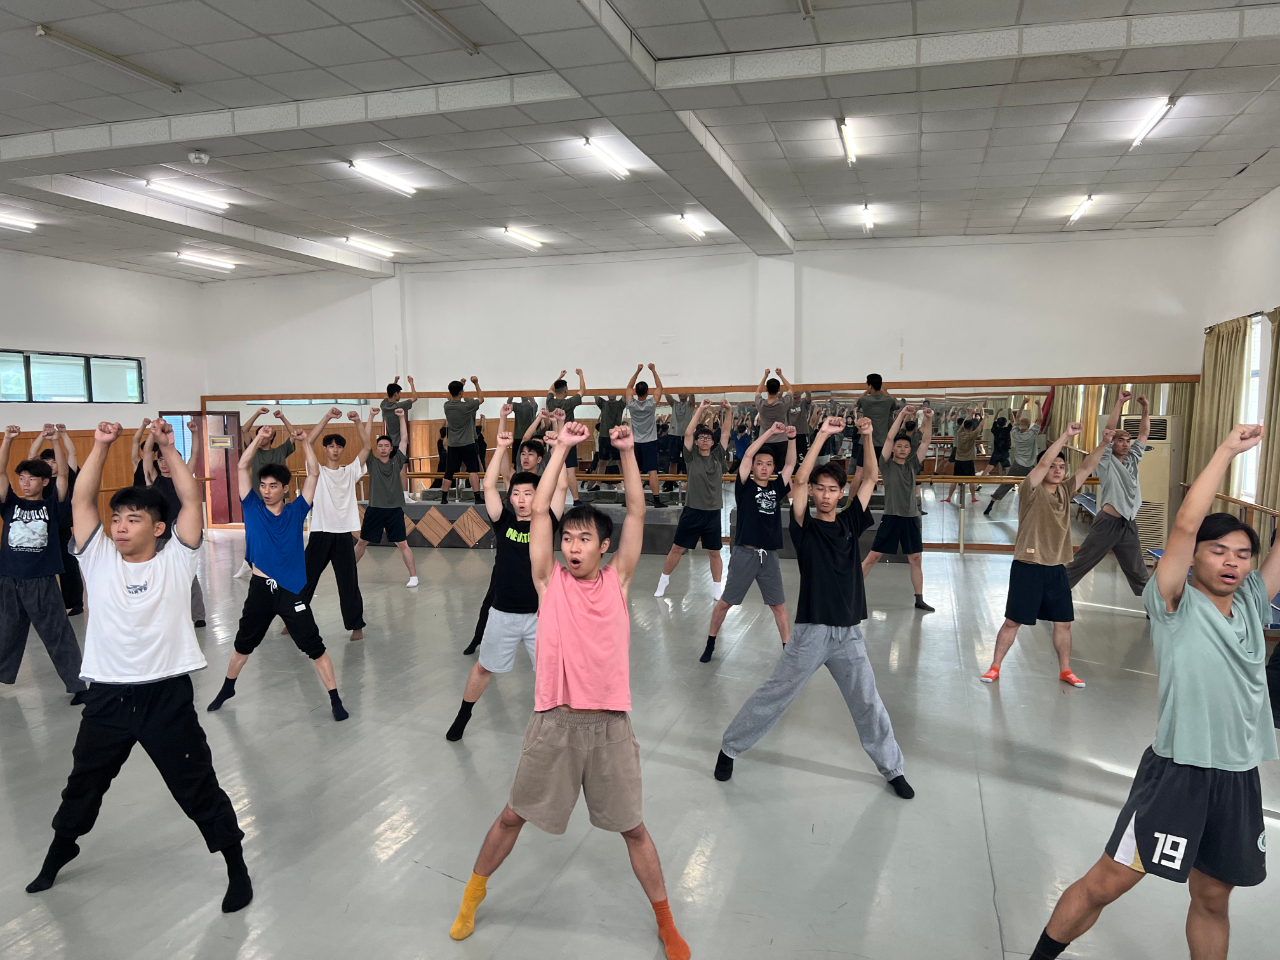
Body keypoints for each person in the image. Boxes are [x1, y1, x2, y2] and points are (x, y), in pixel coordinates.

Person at [1027, 423, 1278, 960]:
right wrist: (1226, 450)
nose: (1231, 562)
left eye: (1241, 554)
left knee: (1212, 898)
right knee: (1107, 882)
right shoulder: (1173, 603)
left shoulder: (1253, 601)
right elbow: (1185, 524)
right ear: (1194, 558)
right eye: (1217, 551)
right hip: (1180, 773)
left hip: (1238, 776)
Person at [448, 421, 691, 960]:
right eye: (568, 539)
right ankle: (472, 896)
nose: (574, 547)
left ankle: (666, 921)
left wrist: (627, 452)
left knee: (634, 828)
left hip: (610, 725)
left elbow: (636, 512)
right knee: (512, 815)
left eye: (584, 539)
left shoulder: (618, 582)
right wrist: (559, 448)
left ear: (604, 547)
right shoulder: (548, 582)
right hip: (553, 721)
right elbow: (539, 510)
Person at [25, 419, 252, 913]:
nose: (121, 526)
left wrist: (169, 448)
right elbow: (81, 501)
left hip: (165, 696)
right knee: (84, 784)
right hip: (107, 697)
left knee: (197, 786)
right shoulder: (97, 558)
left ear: (158, 528)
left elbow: (190, 501)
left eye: (133, 519)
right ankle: (60, 851)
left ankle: (236, 866)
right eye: (117, 519)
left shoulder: (176, 561)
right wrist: (100, 446)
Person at [713, 416, 914, 802]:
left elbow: (871, 477)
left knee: (868, 702)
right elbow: (800, 479)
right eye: (820, 488)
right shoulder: (804, 527)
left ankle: (893, 768)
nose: (824, 494)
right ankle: (730, 748)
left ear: (840, 493)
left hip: (848, 634)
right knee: (775, 694)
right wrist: (821, 435)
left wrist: (868, 436)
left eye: (832, 489)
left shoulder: (850, 523)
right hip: (811, 633)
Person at [206, 425, 349, 721]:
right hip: (260, 590)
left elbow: (313, 474)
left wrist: (305, 443)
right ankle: (227, 688)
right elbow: (242, 466)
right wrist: (259, 438)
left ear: (285, 488)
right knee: (243, 644)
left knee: (315, 647)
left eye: (273, 486)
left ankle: (335, 699)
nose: (266, 491)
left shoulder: (297, 511)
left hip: (291, 590)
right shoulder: (252, 507)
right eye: (263, 486)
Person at [445, 427, 567, 741]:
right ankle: (462, 716)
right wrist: (500, 448)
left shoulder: (547, 521)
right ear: (510, 497)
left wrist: (559, 449)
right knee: (483, 668)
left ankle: (557, 727)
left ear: (538, 497)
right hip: (503, 613)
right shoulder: (503, 521)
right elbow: (488, 485)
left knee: (552, 674)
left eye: (528, 494)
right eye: (516, 493)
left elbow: (561, 485)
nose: (521, 499)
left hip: (541, 615)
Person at [980, 423, 1111, 689]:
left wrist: (1104, 443)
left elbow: (1087, 467)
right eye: (1053, 466)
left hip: (1056, 567)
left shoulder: (1066, 490)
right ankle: (995, 666)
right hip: (1028, 565)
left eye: (1061, 467)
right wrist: (1066, 436)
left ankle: (1066, 670)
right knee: (1012, 621)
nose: (1058, 470)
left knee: (1064, 623)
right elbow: (1041, 465)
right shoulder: (1030, 489)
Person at [0, 423, 88, 702]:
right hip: (9, 579)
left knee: (57, 634)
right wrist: (7, 439)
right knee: (5, 633)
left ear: (44, 482)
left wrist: (57, 441)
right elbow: (0, 472)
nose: (25, 483)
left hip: (41, 581)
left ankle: (78, 686)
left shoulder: (52, 507)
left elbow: (63, 474)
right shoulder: (10, 504)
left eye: (32, 479)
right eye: (22, 478)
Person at [702, 420, 798, 663]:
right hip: (744, 555)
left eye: (768, 464)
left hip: (769, 557)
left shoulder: (777, 487)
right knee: (725, 603)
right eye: (760, 463)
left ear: (773, 467)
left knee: (778, 606)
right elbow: (746, 456)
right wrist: (769, 432)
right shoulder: (744, 486)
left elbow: (790, 464)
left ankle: (787, 651)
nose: (764, 468)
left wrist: (792, 439)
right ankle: (710, 643)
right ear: (754, 466)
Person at [462, 405, 550, 658]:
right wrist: (503, 419)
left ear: (539, 459)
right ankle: (478, 638)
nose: (525, 457)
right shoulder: (513, 477)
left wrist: (552, 427)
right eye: (523, 454)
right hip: (509, 544)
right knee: (491, 599)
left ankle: (536, 641)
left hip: (534, 553)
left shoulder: (544, 484)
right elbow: (502, 461)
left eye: (531, 454)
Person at [1063, 390, 1152, 596]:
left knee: (1139, 573)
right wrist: (1120, 402)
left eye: (1127, 440)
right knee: (1080, 564)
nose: (1125, 444)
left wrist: (1145, 408)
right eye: (1120, 440)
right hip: (1107, 524)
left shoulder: (1132, 459)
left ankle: (1156, 608)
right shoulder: (1106, 460)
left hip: (1128, 523)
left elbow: (1144, 434)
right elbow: (1109, 430)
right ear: (1113, 443)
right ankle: (1050, 596)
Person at [301, 407, 373, 642]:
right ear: (325, 449)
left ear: (342, 449)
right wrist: (327, 417)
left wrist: (358, 421)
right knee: (305, 578)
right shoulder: (317, 472)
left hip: (342, 534)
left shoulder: (350, 471)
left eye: (339, 446)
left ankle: (356, 625)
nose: (335, 449)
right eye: (331, 446)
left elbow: (367, 447)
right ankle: (295, 619)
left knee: (348, 582)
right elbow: (308, 442)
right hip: (320, 533)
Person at [654, 400, 732, 601]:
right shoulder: (691, 457)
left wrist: (729, 410)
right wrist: (701, 409)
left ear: (712, 442)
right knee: (677, 548)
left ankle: (717, 588)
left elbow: (725, 433)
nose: (705, 440)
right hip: (692, 511)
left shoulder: (718, 457)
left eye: (708, 438)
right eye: (701, 438)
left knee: (714, 552)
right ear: (697, 442)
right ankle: (663, 581)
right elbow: (688, 433)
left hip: (713, 513)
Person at [861, 405, 936, 612]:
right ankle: (852, 590)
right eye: (899, 446)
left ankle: (919, 598)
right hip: (892, 517)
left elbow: (926, 441)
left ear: (910, 450)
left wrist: (929, 419)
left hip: (911, 518)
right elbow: (888, 438)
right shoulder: (886, 465)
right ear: (894, 448)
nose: (902, 449)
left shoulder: (913, 465)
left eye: (906, 447)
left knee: (916, 559)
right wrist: (902, 414)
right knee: (873, 556)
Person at [142, 424, 207, 628]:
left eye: (167, 459)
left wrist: (194, 433)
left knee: (188, 575)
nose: (163, 463)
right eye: (160, 459)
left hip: (181, 534)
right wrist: (154, 434)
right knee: (157, 574)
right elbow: (146, 453)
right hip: (158, 535)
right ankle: (161, 613)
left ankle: (198, 615)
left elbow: (195, 454)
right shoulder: (153, 479)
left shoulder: (183, 477)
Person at [354, 409, 418, 587]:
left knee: (402, 544)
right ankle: (348, 572)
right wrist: (371, 416)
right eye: (380, 446)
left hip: (394, 511)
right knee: (362, 542)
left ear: (391, 448)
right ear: (377, 448)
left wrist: (402, 417)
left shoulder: (397, 461)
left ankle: (413, 576)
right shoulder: (372, 462)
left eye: (386, 445)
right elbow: (365, 441)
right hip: (374, 509)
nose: (383, 448)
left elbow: (404, 439)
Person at [233, 408, 298, 579]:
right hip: (256, 498)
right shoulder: (254, 450)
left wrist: (282, 416)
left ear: (272, 437)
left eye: (266, 434)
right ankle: (248, 562)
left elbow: (295, 434)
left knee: (278, 532)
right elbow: (244, 430)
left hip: (278, 500)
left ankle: (277, 563)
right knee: (254, 532)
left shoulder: (280, 451)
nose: (261, 437)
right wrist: (257, 413)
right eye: (259, 434)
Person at [29, 425, 83, 616]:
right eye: (47, 462)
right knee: (42, 565)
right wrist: (41, 435)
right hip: (40, 528)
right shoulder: (39, 479)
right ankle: (43, 602)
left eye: (54, 461)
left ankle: (74, 602)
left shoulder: (67, 476)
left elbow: (72, 453)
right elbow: (31, 455)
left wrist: (63, 434)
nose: (51, 465)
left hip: (61, 527)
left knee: (68, 565)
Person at [986, 399, 1041, 513]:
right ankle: (1035, 506)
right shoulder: (1032, 434)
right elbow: (1040, 419)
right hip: (1029, 466)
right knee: (1035, 485)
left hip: (1017, 464)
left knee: (1006, 483)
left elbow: (1017, 418)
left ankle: (992, 502)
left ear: (1019, 425)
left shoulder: (1015, 433)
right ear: (1029, 425)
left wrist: (1023, 403)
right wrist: (1039, 405)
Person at [625, 362, 666, 508]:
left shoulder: (631, 404)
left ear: (636, 392)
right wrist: (653, 370)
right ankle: (656, 500)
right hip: (650, 442)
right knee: (652, 471)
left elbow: (629, 388)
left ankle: (630, 500)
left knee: (634, 472)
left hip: (635, 442)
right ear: (648, 392)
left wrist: (637, 371)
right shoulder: (651, 404)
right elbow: (660, 388)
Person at [441, 376, 484, 505]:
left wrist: (461, 384)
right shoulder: (466, 406)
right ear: (461, 392)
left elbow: (455, 396)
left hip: (453, 444)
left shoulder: (447, 406)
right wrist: (476, 383)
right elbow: (481, 399)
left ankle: (444, 498)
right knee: (472, 470)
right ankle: (477, 497)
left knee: (449, 472)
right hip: (468, 443)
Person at [546, 368, 586, 504]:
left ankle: (550, 499)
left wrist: (560, 376)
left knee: (554, 470)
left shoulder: (550, 402)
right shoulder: (568, 403)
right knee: (570, 471)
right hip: (568, 441)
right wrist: (580, 375)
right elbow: (582, 391)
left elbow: (550, 389)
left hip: (554, 441)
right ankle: (576, 500)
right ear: (566, 391)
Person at [382, 375, 418, 489]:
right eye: (399, 393)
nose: (400, 395)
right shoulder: (400, 406)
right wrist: (411, 383)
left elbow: (388, 395)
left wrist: (395, 381)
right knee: (403, 469)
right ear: (396, 394)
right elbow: (415, 397)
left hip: (390, 444)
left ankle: (392, 492)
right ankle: (404, 494)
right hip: (400, 444)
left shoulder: (383, 405)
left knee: (392, 470)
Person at [755, 368, 793, 473]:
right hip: (781, 440)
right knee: (781, 470)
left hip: (765, 440)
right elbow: (790, 389)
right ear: (779, 389)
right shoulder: (782, 405)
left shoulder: (761, 405)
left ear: (766, 389)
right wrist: (780, 375)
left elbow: (758, 391)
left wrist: (765, 375)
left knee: (766, 469)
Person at [943, 408, 983, 504]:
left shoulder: (959, 433)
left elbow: (963, 424)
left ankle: (949, 497)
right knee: (972, 479)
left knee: (955, 479)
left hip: (959, 460)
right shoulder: (972, 435)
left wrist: (970, 415)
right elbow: (980, 426)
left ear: (963, 427)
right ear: (971, 428)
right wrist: (984, 417)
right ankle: (973, 497)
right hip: (969, 460)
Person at [668, 393, 694, 476]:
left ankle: (690, 481)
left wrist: (688, 390)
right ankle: (671, 482)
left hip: (687, 436)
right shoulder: (674, 404)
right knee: (673, 461)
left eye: (684, 393)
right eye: (680, 393)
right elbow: (667, 395)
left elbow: (692, 396)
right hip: (674, 435)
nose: (682, 394)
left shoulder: (690, 405)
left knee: (689, 461)